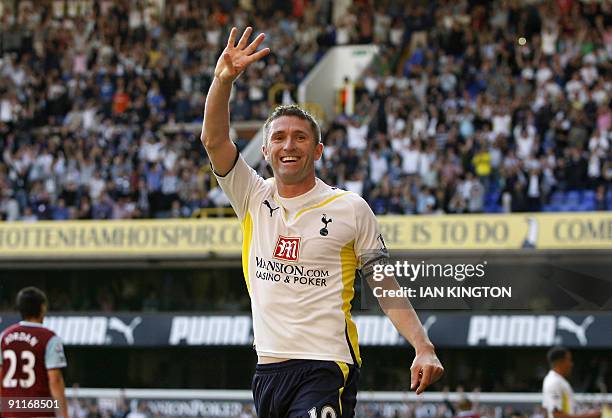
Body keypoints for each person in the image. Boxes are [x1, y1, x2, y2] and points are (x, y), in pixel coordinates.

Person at [201, 27, 443, 418]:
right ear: (265, 150)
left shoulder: (350, 208)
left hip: (326, 365)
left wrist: (423, 345)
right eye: (279, 138)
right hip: (268, 369)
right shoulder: (251, 196)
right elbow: (213, 141)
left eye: (299, 137)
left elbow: (383, 284)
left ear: (317, 150)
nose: (288, 145)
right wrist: (222, 80)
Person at [0, 287, 69, 418]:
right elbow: (55, 379)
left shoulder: (4, 337)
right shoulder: (49, 338)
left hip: (10, 409)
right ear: (42, 308)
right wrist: (64, 414)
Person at [542, 346, 600, 418]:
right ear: (560, 362)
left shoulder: (557, 380)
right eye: (569, 360)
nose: (571, 364)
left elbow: (546, 410)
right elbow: (557, 415)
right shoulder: (554, 382)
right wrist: (589, 416)